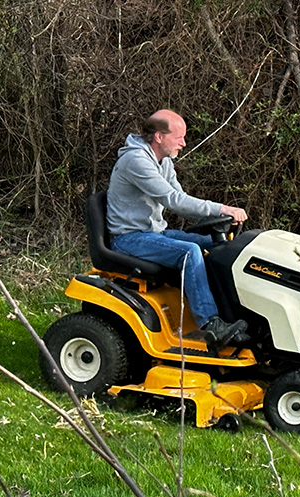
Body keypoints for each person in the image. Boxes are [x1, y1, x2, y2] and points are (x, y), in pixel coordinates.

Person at [106, 109, 249, 350]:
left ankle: (235, 314)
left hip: (154, 233)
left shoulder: (164, 161)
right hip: (129, 238)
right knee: (189, 252)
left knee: (221, 245)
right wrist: (221, 208)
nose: (183, 143)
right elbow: (172, 200)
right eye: (179, 137)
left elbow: (180, 199)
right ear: (159, 137)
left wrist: (218, 217)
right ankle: (210, 325)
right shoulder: (136, 161)